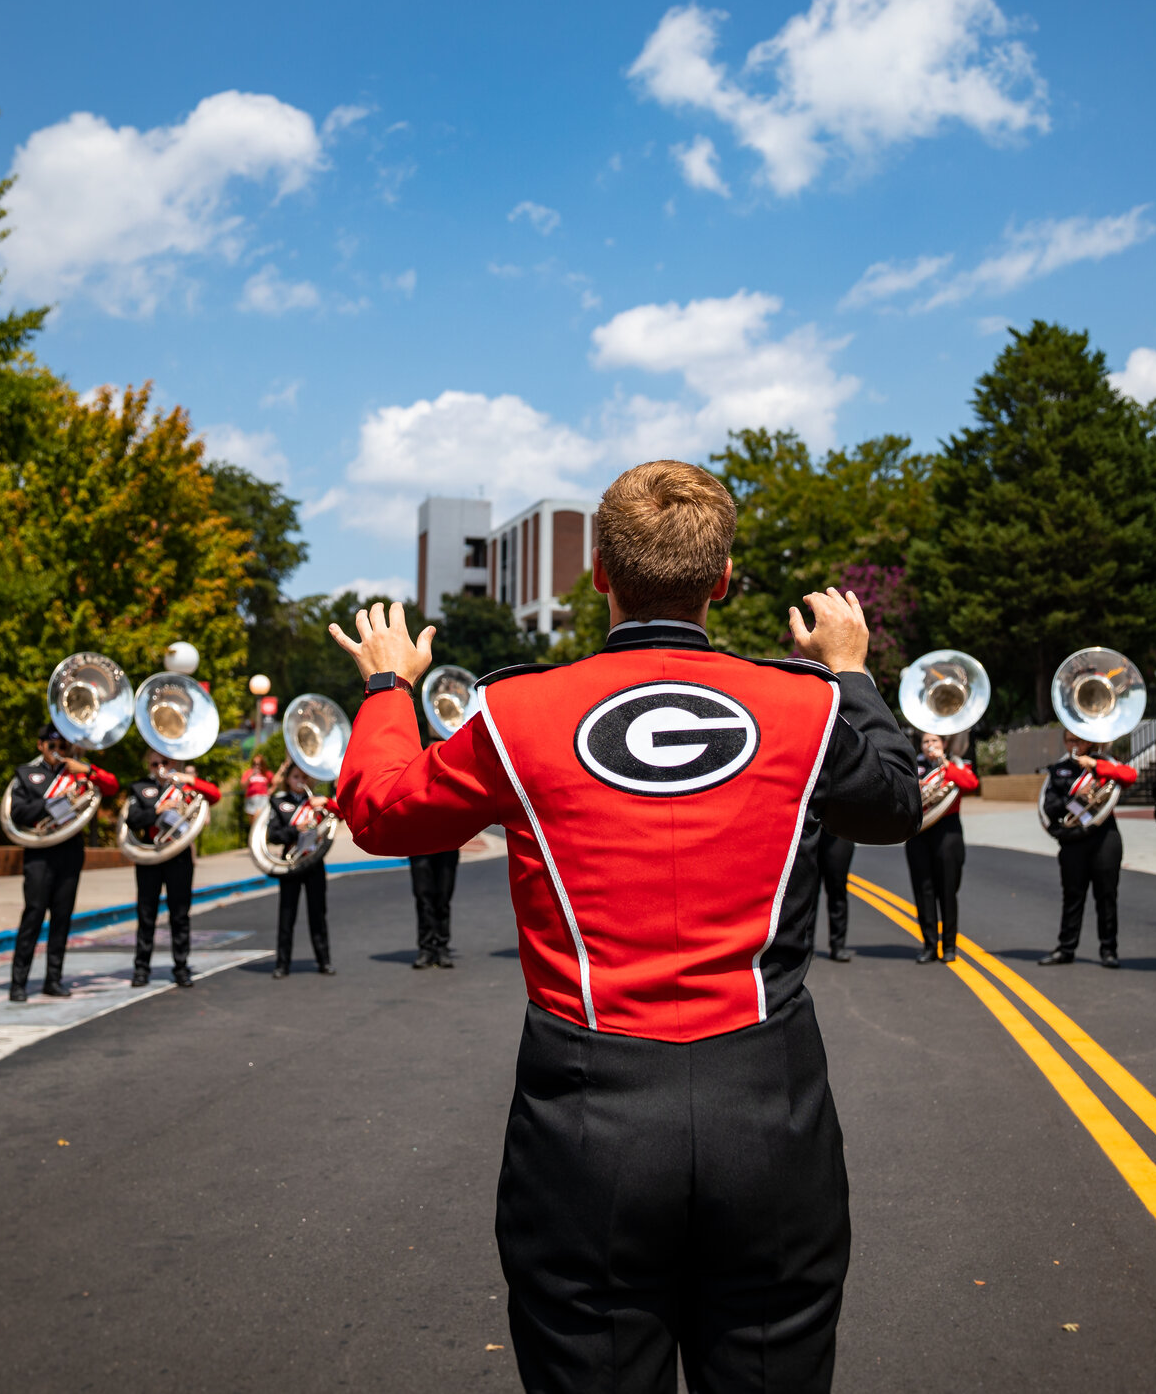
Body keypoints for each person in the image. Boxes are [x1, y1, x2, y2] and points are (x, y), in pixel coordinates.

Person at [330, 460, 918, 1394]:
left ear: (597, 572)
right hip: (771, 1113)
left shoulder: (515, 711)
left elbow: (378, 809)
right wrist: (849, 670)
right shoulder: (806, 705)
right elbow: (895, 802)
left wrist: (387, 690)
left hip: (584, 1121)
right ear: (723, 578)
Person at [5, 725, 117, 1002]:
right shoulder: (26, 774)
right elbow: (16, 811)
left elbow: (112, 786)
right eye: (52, 744)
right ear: (40, 745)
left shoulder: (78, 772)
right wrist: (49, 805)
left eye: (63, 746)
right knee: (33, 915)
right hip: (40, 851)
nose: (58, 750)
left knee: (62, 918)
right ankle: (18, 982)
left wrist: (88, 772)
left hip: (69, 849)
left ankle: (53, 979)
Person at [1041, 735, 1136, 966]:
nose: (1074, 745)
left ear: (1089, 742)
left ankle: (1109, 950)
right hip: (1073, 839)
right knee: (1072, 896)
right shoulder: (1059, 770)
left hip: (1104, 837)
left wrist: (1096, 765)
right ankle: (1066, 948)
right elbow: (1050, 806)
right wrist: (1075, 798)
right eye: (1069, 740)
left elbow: (1130, 776)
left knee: (1107, 896)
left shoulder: (1103, 764)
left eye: (1079, 741)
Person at [125, 759, 220, 987]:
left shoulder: (186, 787)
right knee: (146, 913)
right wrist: (156, 811)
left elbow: (215, 795)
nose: (160, 767)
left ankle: (181, 966)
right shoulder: (139, 787)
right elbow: (132, 819)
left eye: (166, 762)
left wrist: (189, 779)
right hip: (151, 853)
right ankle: (141, 968)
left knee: (180, 914)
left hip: (179, 855)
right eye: (155, 762)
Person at [905, 732, 982, 963]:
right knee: (923, 890)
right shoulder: (912, 765)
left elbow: (971, 784)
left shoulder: (956, 765)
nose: (929, 746)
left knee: (947, 890)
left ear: (944, 744)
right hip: (919, 832)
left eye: (934, 742)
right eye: (926, 742)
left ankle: (949, 946)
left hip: (947, 832)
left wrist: (944, 763)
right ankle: (929, 945)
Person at [264, 762, 335, 978]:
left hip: (313, 862)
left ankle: (324, 961)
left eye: (304, 777)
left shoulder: (315, 803)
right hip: (291, 864)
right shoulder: (278, 802)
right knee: (287, 914)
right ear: (288, 778)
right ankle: (282, 964)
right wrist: (296, 830)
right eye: (296, 776)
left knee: (318, 914)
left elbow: (341, 815)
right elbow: (273, 836)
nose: (300, 781)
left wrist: (327, 803)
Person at [407, 804, 460, 969]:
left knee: (443, 896)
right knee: (423, 896)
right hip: (420, 840)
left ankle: (442, 946)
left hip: (448, 839)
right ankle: (426, 947)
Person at [804, 820, 856, 962]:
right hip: (809, 829)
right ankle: (806, 947)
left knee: (837, 890)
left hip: (838, 832)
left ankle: (838, 945)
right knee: (808, 892)